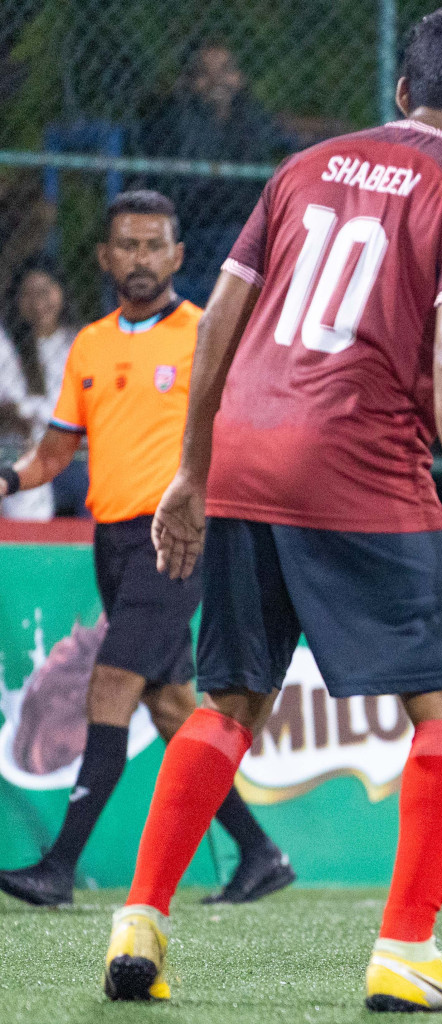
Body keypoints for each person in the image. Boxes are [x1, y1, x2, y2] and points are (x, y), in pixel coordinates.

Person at [99, 5, 442, 1010]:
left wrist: (193, 472)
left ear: (402, 90)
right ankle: (407, 948)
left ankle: (141, 922)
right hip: (358, 464)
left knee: (231, 704)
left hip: (244, 454)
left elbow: (216, 328)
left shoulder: (305, 166)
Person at [0, 191, 291, 909]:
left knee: (110, 686)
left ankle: (59, 867)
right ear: (104, 258)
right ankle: (259, 853)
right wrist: (8, 478)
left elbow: (250, 428)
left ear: (178, 256)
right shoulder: (89, 345)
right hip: (113, 542)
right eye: (126, 245)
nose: (139, 257)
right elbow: (55, 453)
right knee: (169, 707)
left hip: (178, 539)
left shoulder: (205, 332)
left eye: (153, 244)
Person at [137, 41, 295, 305]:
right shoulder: (178, 118)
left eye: (225, 70)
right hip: (196, 227)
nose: (217, 81)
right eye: (205, 73)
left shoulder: (248, 115)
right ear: (189, 80)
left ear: (240, 77)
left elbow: (282, 134)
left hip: (244, 225)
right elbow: (186, 190)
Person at [0, 260, 74, 520]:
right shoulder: (6, 343)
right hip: (28, 447)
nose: (38, 302)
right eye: (28, 294)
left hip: (74, 449)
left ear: (61, 292)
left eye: (45, 291)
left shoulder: (78, 341)